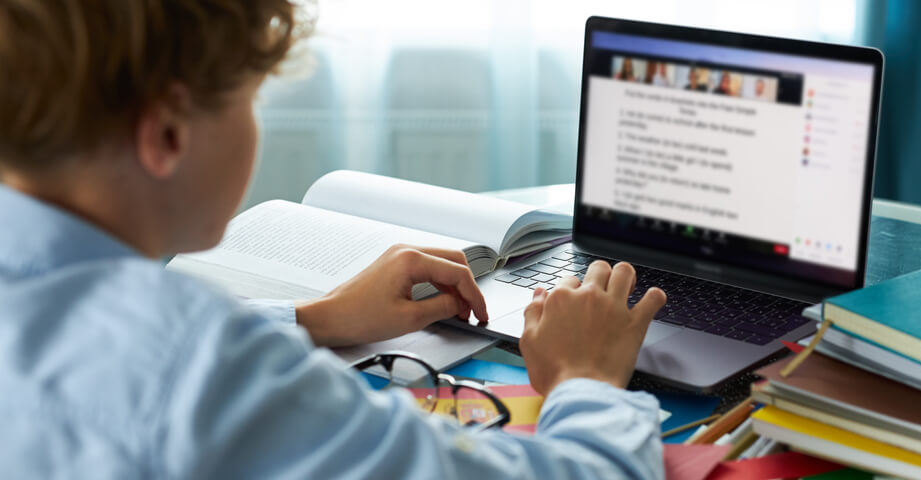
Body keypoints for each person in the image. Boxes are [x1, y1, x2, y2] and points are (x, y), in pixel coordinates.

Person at [0, 1, 667, 478]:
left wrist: (313, 319)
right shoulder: (197, 366)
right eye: (250, 100)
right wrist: (587, 381)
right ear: (168, 135)